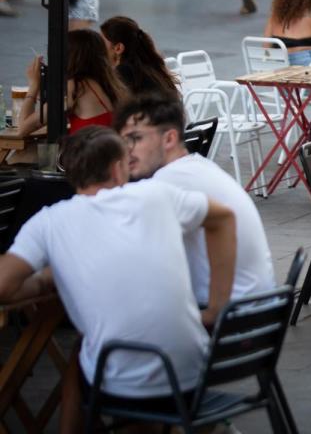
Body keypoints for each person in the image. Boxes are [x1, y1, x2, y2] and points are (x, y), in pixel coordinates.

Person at [0, 126, 237, 431]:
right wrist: (218, 306)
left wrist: (44, 280)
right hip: (196, 376)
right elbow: (224, 217)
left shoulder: (50, 220)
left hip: (127, 388)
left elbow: (4, 285)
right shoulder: (156, 194)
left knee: (88, 355)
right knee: (95, 353)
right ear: (116, 168)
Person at [115, 95, 275, 304]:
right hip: (261, 310)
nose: (127, 150)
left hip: (233, 317)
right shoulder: (196, 166)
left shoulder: (167, 181)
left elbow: (127, 257)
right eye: (123, 140)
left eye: (135, 138)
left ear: (169, 139)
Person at [18, 29, 127, 137]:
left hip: (88, 152)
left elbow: (23, 128)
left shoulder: (75, 86)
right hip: (107, 149)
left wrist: (34, 84)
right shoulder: (108, 83)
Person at [100, 16, 179, 100]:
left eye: (101, 43)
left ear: (118, 48)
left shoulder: (123, 73)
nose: (98, 47)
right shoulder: (149, 67)